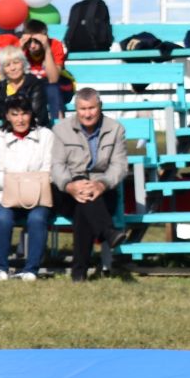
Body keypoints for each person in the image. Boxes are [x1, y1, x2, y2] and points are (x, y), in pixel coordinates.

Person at [49, 88, 126, 281]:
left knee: (85, 207)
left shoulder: (115, 129)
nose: (87, 113)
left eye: (91, 108)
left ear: (100, 107)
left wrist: (101, 184)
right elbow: (56, 166)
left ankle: (79, 273)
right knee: (82, 195)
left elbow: (120, 166)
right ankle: (108, 232)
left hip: (102, 189)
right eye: (82, 109)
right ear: (76, 109)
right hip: (66, 190)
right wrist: (69, 186)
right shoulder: (61, 130)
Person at [0, 98, 56, 281]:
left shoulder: (46, 135)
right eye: (14, 114)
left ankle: (31, 269)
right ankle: (0, 268)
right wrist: (20, 185)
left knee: (37, 218)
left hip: (39, 196)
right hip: (6, 195)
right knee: (2, 217)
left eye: (24, 113)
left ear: (31, 114)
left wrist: (26, 185)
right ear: (7, 116)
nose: (20, 119)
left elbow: (49, 170)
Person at [0, 46, 50, 130]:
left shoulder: (35, 84)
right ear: (2, 69)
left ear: (23, 63)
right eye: (7, 65)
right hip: (6, 131)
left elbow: (38, 115)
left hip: (34, 130)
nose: (12, 68)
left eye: (16, 63)